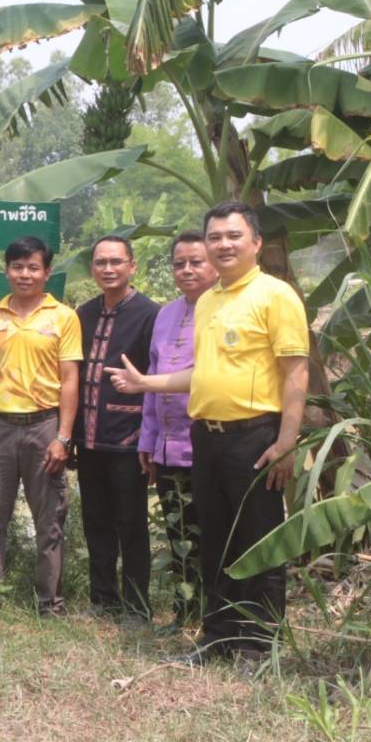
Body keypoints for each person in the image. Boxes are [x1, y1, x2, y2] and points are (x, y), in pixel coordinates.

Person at [109, 202, 309, 662]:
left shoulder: (275, 296)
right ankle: (218, 638)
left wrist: (287, 441)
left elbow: (296, 372)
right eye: (215, 236)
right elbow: (202, 374)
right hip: (207, 437)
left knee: (258, 541)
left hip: (256, 437)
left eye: (233, 236)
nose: (223, 244)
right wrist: (146, 383)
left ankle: (260, 646)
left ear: (256, 243)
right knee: (215, 539)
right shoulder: (211, 301)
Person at [0, 235, 82, 617]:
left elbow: (69, 380)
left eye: (33, 267)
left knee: (48, 519)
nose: (25, 274)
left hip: (44, 426)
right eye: (17, 267)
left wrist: (63, 437)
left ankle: (50, 603)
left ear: (47, 272)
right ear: (7, 271)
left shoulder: (63, 316)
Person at [75, 235, 158, 624]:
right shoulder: (84, 313)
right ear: (92, 268)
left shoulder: (149, 314)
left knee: (132, 524)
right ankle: (103, 600)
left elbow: (156, 379)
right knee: (96, 521)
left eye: (116, 262)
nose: (108, 269)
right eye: (100, 263)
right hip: (89, 438)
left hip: (129, 438)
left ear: (132, 266)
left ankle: (138, 607)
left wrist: (150, 438)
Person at [138, 232, 217, 625]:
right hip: (167, 446)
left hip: (207, 444)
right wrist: (147, 439)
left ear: (215, 263)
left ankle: (215, 614)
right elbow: (153, 377)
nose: (186, 270)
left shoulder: (224, 310)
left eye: (196, 262)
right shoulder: (166, 314)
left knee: (210, 531)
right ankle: (185, 613)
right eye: (178, 263)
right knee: (177, 530)